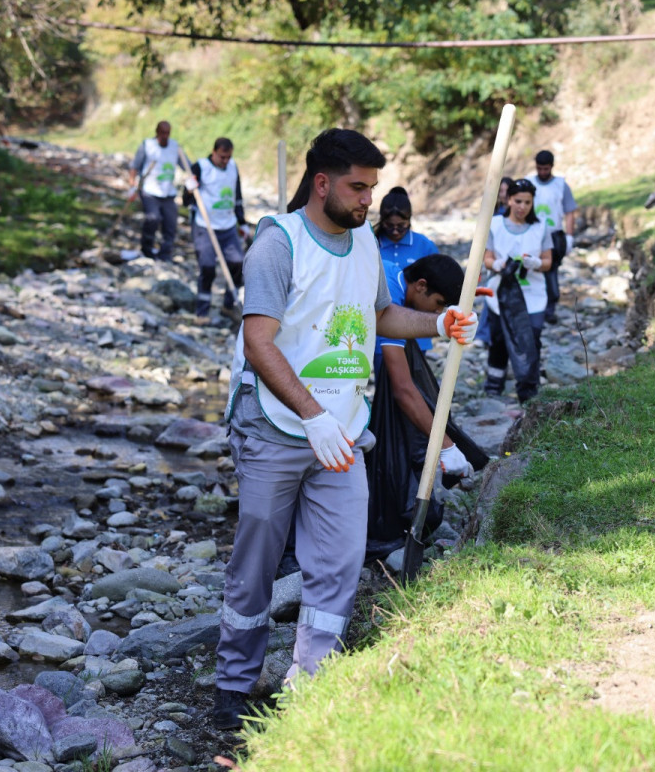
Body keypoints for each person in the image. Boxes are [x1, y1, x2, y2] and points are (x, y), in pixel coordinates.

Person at [213, 128, 478, 730]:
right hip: (277, 428)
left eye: (373, 188)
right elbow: (259, 342)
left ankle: (306, 688)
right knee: (255, 565)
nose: (369, 203)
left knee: (337, 565)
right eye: (359, 188)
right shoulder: (277, 247)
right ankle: (232, 690)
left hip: (345, 433)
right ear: (323, 182)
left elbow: (381, 314)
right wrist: (312, 417)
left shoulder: (362, 245)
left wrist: (438, 324)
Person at [367, 254, 481, 559]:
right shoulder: (389, 295)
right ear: (420, 286)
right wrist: (444, 446)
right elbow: (403, 389)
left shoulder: (396, 281)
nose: (439, 312)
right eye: (439, 304)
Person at [483, 178, 551, 403]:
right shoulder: (494, 225)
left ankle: (529, 390)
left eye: (527, 203)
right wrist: (496, 264)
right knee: (499, 340)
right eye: (518, 201)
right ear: (509, 199)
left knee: (532, 337)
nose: (522, 207)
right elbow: (487, 257)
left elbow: (548, 260)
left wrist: (536, 263)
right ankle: (494, 387)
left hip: (532, 294)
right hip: (500, 294)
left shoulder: (540, 227)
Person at [185, 137, 248, 318]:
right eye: (222, 157)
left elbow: (237, 197)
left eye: (228, 157)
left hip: (227, 226)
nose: (225, 161)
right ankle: (202, 312)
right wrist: (189, 189)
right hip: (204, 226)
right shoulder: (201, 167)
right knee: (207, 267)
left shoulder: (233, 167)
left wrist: (242, 222)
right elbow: (185, 200)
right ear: (214, 153)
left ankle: (229, 305)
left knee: (237, 262)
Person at [525, 151, 576, 324]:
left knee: (551, 271)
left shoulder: (561, 185)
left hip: (554, 236)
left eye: (546, 169)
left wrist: (569, 236)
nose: (543, 172)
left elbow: (569, 212)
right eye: (539, 168)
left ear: (551, 167)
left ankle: (549, 308)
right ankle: (531, 307)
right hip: (532, 234)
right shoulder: (529, 183)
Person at [127, 121, 185, 261]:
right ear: (157, 132)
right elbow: (135, 166)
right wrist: (132, 184)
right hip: (149, 190)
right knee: (153, 218)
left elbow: (186, 166)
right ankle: (147, 250)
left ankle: (165, 254)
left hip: (168, 192)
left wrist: (193, 176)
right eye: (162, 133)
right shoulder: (147, 145)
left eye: (168, 133)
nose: (165, 136)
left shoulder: (175, 147)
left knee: (170, 223)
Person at [374, 186, 438, 274]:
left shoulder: (425, 246)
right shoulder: (372, 244)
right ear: (381, 220)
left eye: (401, 226)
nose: (395, 231)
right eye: (389, 225)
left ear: (409, 220)